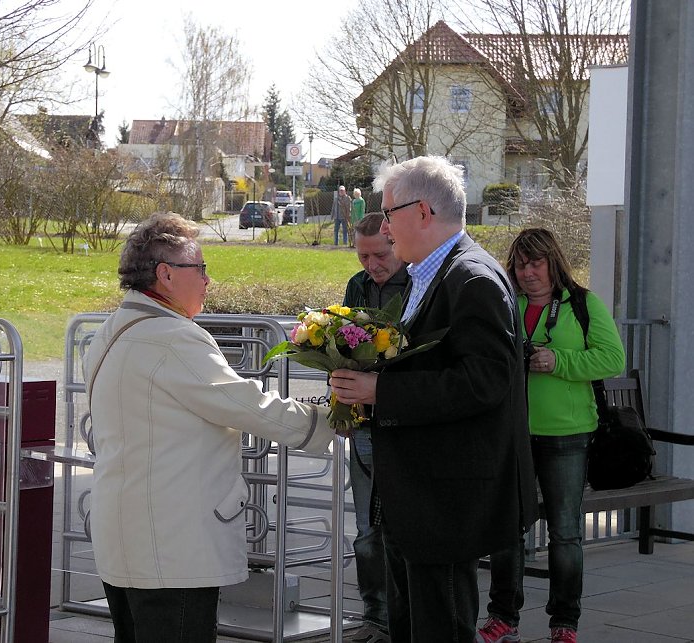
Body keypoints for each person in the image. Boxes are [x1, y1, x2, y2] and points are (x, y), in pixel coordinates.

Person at [84, 212, 335, 643]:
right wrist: (330, 422)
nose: (207, 280)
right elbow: (246, 405)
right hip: (172, 546)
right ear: (165, 275)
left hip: (126, 539)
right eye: (199, 268)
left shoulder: (110, 331)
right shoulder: (172, 337)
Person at [329, 156, 538, 643]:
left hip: (443, 499)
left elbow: (485, 381)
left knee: (440, 625)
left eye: (388, 213)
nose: (384, 226)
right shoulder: (434, 271)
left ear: (422, 211)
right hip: (417, 494)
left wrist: (381, 390)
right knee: (414, 623)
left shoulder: (473, 278)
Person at [477, 228, 626, 643]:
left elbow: (613, 358)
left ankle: (565, 623)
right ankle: (503, 617)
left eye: (536, 263)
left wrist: (557, 360)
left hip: (567, 433)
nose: (527, 273)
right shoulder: (507, 304)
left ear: (553, 262)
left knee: (565, 532)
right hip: (514, 434)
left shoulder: (583, 303)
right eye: (521, 264)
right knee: (508, 529)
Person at [342, 212, 408, 643]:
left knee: (401, 528)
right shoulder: (357, 285)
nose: (372, 265)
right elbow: (342, 343)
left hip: (405, 422)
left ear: (396, 244)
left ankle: (403, 619)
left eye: (379, 255)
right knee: (366, 529)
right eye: (363, 256)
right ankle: (375, 618)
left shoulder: (420, 282)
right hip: (366, 422)